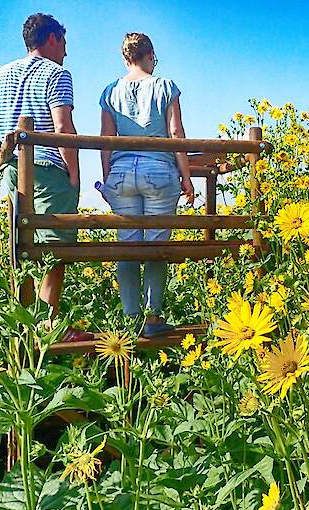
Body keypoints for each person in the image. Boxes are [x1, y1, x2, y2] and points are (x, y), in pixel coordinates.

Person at [0, 12, 91, 342]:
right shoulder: (57, 74)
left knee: (20, 245)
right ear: (51, 39)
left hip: (12, 172)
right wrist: (74, 172)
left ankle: (24, 327)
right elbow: (63, 128)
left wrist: (3, 155)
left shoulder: (1, 73)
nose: (65, 51)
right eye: (63, 43)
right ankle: (50, 328)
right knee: (55, 248)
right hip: (49, 169)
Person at [99, 33, 194, 337]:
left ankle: (130, 321)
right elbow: (176, 133)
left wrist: (108, 179)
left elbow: (105, 141)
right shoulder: (165, 86)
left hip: (122, 173)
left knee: (127, 246)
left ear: (126, 58)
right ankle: (153, 320)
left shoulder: (110, 91)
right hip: (159, 171)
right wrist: (187, 177)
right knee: (155, 245)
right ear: (150, 55)